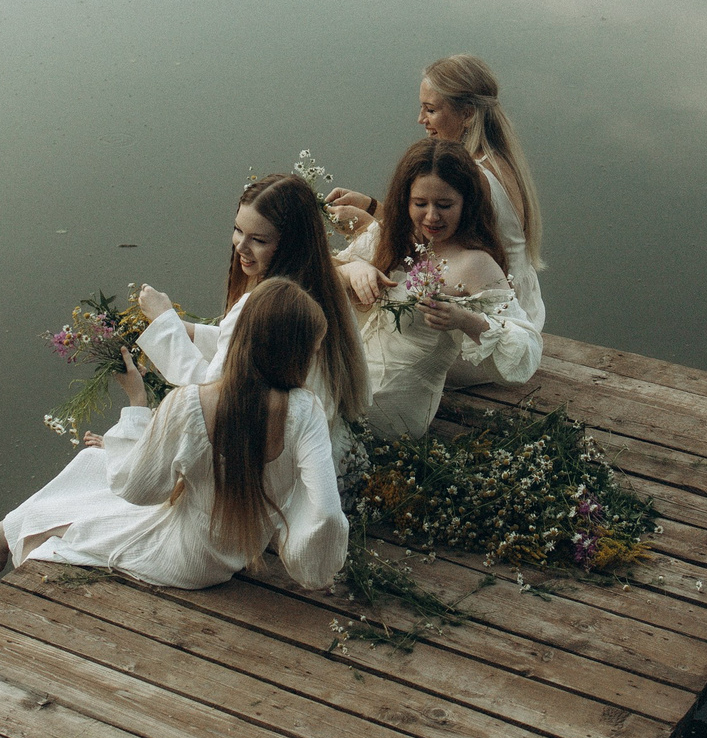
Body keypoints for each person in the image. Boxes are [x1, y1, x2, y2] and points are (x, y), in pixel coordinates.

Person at [0, 279, 347, 592]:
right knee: (93, 463)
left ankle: (2, 539)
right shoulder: (306, 410)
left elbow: (137, 489)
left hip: (185, 558)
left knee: (66, 523)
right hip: (230, 553)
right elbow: (327, 510)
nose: (312, 360)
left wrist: (137, 405)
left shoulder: (194, 403)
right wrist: (314, 564)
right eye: (311, 351)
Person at [129, 174, 367, 458]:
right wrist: (190, 331)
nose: (240, 247)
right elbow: (251, 344)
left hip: (273, 458)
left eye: (258, 239)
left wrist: (164, 322)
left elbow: (208, 393)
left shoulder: (259, 305)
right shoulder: (326, 287)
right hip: (320, 449)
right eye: (238, 230)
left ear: (290, 243)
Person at [326, 55, 546, 339]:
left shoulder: (472, 178)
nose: (421, 120)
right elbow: (435, 224)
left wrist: (365, 223)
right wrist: (370, 205)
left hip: (486, 328)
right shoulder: (496, 159)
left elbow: (429, 243)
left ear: (467, 114)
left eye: (430, 110)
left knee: (349, 301)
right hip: (525, 310)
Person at [334, 140, 540, 438]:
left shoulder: (474, 264)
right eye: (420, 204)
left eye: (444, 205)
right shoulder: (391, 238)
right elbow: (312, 272)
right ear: (405, 200)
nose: (432, 216)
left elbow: (526, 351)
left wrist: (465, 320)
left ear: (466, 203)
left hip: (393, 409)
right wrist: (352, 270)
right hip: (349, 379)